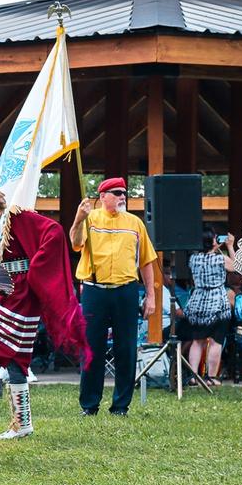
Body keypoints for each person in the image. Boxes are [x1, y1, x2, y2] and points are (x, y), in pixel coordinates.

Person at [0, 161, 89, 438]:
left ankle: (21, 423)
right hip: (0, 292)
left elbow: (53, 232)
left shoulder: (17, 216)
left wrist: (37, 268)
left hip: (20, 294)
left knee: (13, 356)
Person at [68, 177, 158, 416]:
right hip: (94, 290)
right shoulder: (91, 218)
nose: (122, 196)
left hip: (126, 291)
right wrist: (79, 218)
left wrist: (150, 296)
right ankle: (89, 405)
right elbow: (75, 244)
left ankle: (120, 406)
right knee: (92, 349)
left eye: (124, 193)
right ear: (103, 196)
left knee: (126, 349)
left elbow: (147, 261)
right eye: (116, 192)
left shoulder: (135, 223)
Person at [185, 229, 235, 387]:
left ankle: (193, 376)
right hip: (217, 302)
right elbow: (235, 267)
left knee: (197, 341)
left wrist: (215, 247)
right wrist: (230, 246)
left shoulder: (193, 258)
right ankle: (212, 377)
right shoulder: (220, 258)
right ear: (212, 241)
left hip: (198, 302)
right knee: (216, 341)